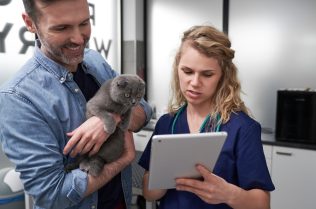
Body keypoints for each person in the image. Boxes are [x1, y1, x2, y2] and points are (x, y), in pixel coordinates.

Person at [0, 0, 152, 209]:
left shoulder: (95, 61)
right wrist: (124, 159)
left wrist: (110, 120)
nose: (79, 38)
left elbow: (144, 110)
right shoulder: (17, 98)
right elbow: (53, 195)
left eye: (84, 23)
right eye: (62, 28)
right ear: (30, 23)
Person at [138, 25, 275, 209]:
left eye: (207, 74)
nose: (194, 83)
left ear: (222, 76)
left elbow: (262, 204)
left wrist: (229, 194)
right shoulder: (167, 124)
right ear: (177, 68)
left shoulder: (241, 128)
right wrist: (163, 177)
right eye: (187, 71)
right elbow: (148, 193)